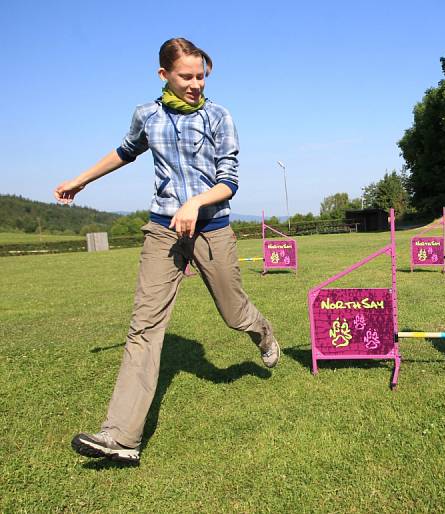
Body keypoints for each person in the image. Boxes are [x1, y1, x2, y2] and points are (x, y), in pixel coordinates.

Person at [54, 38, 280, 464]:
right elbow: (125, 151)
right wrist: (81, 180)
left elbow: (229, 180)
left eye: (202, 77)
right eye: (187, 76)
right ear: (164, 76)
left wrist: (196, 203)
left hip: (212, 227)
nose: (196, 84)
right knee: (144, 327)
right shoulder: (148, 115)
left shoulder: (219, 116)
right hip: (164, 229)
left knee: (234, 314)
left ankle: (263, 333)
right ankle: (121, 438)